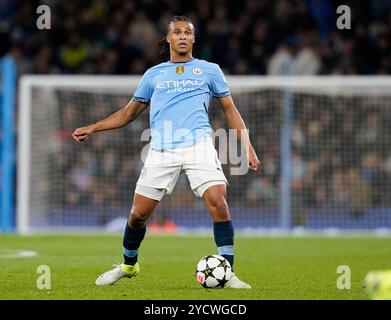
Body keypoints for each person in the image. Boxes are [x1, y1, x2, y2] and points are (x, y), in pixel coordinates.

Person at [72, 15, 260, 289]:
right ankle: (128, 265)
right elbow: (128, 113)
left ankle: (228, 272)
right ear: (169, 39)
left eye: (188, 32)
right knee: (138, 215)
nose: (183, 36)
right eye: (177, 32)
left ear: (194, 39)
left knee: (219, 202)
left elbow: (230, 111)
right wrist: (93, 127)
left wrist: (248, 147)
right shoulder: (154, 75)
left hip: (199, 146)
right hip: (161, 149)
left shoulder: (209, 70)